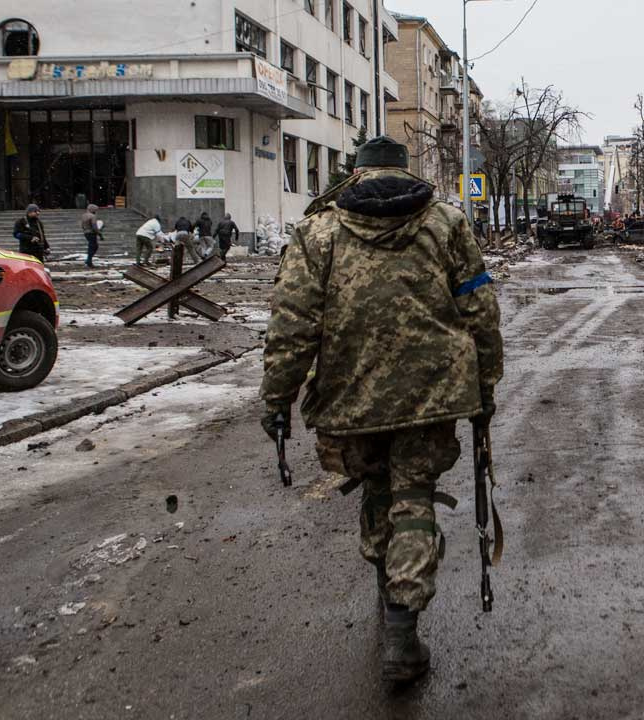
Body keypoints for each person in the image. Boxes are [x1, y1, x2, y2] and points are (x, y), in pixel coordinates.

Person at [261, 137, 503, 683]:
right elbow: (480, 306)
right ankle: (402, 627)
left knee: (375, 489)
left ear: (355, 173)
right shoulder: (447, 224)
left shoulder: (317, 232)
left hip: (350, 396)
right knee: (414, 495)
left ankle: (388, 591)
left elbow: (292, 323)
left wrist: (277, 396)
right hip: (433, 394)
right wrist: (486, 383)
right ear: (404, 170)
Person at [80, 204, 102, 268]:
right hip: (91, 233)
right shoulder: (93, 216)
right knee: (94, 246)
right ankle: (89, 260)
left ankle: (89, 260)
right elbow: (94, 226)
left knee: (91, 246)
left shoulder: (83, 215)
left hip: (86, 232)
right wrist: (99, 233)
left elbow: (82, 225)